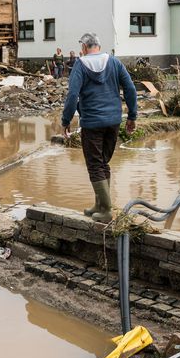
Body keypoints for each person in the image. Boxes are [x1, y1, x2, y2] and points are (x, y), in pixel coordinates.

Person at [61, 33, 138, 222]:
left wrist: (65, 120)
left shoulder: (80, 64)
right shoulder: (114, 62)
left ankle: (106, 211)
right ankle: (100, 205)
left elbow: (72, 95)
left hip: (92, 122)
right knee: (103, 163)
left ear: (85, 47)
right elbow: (130, 89)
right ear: (98, 45)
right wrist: (132, 116)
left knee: (95, 165)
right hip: (113, 120)